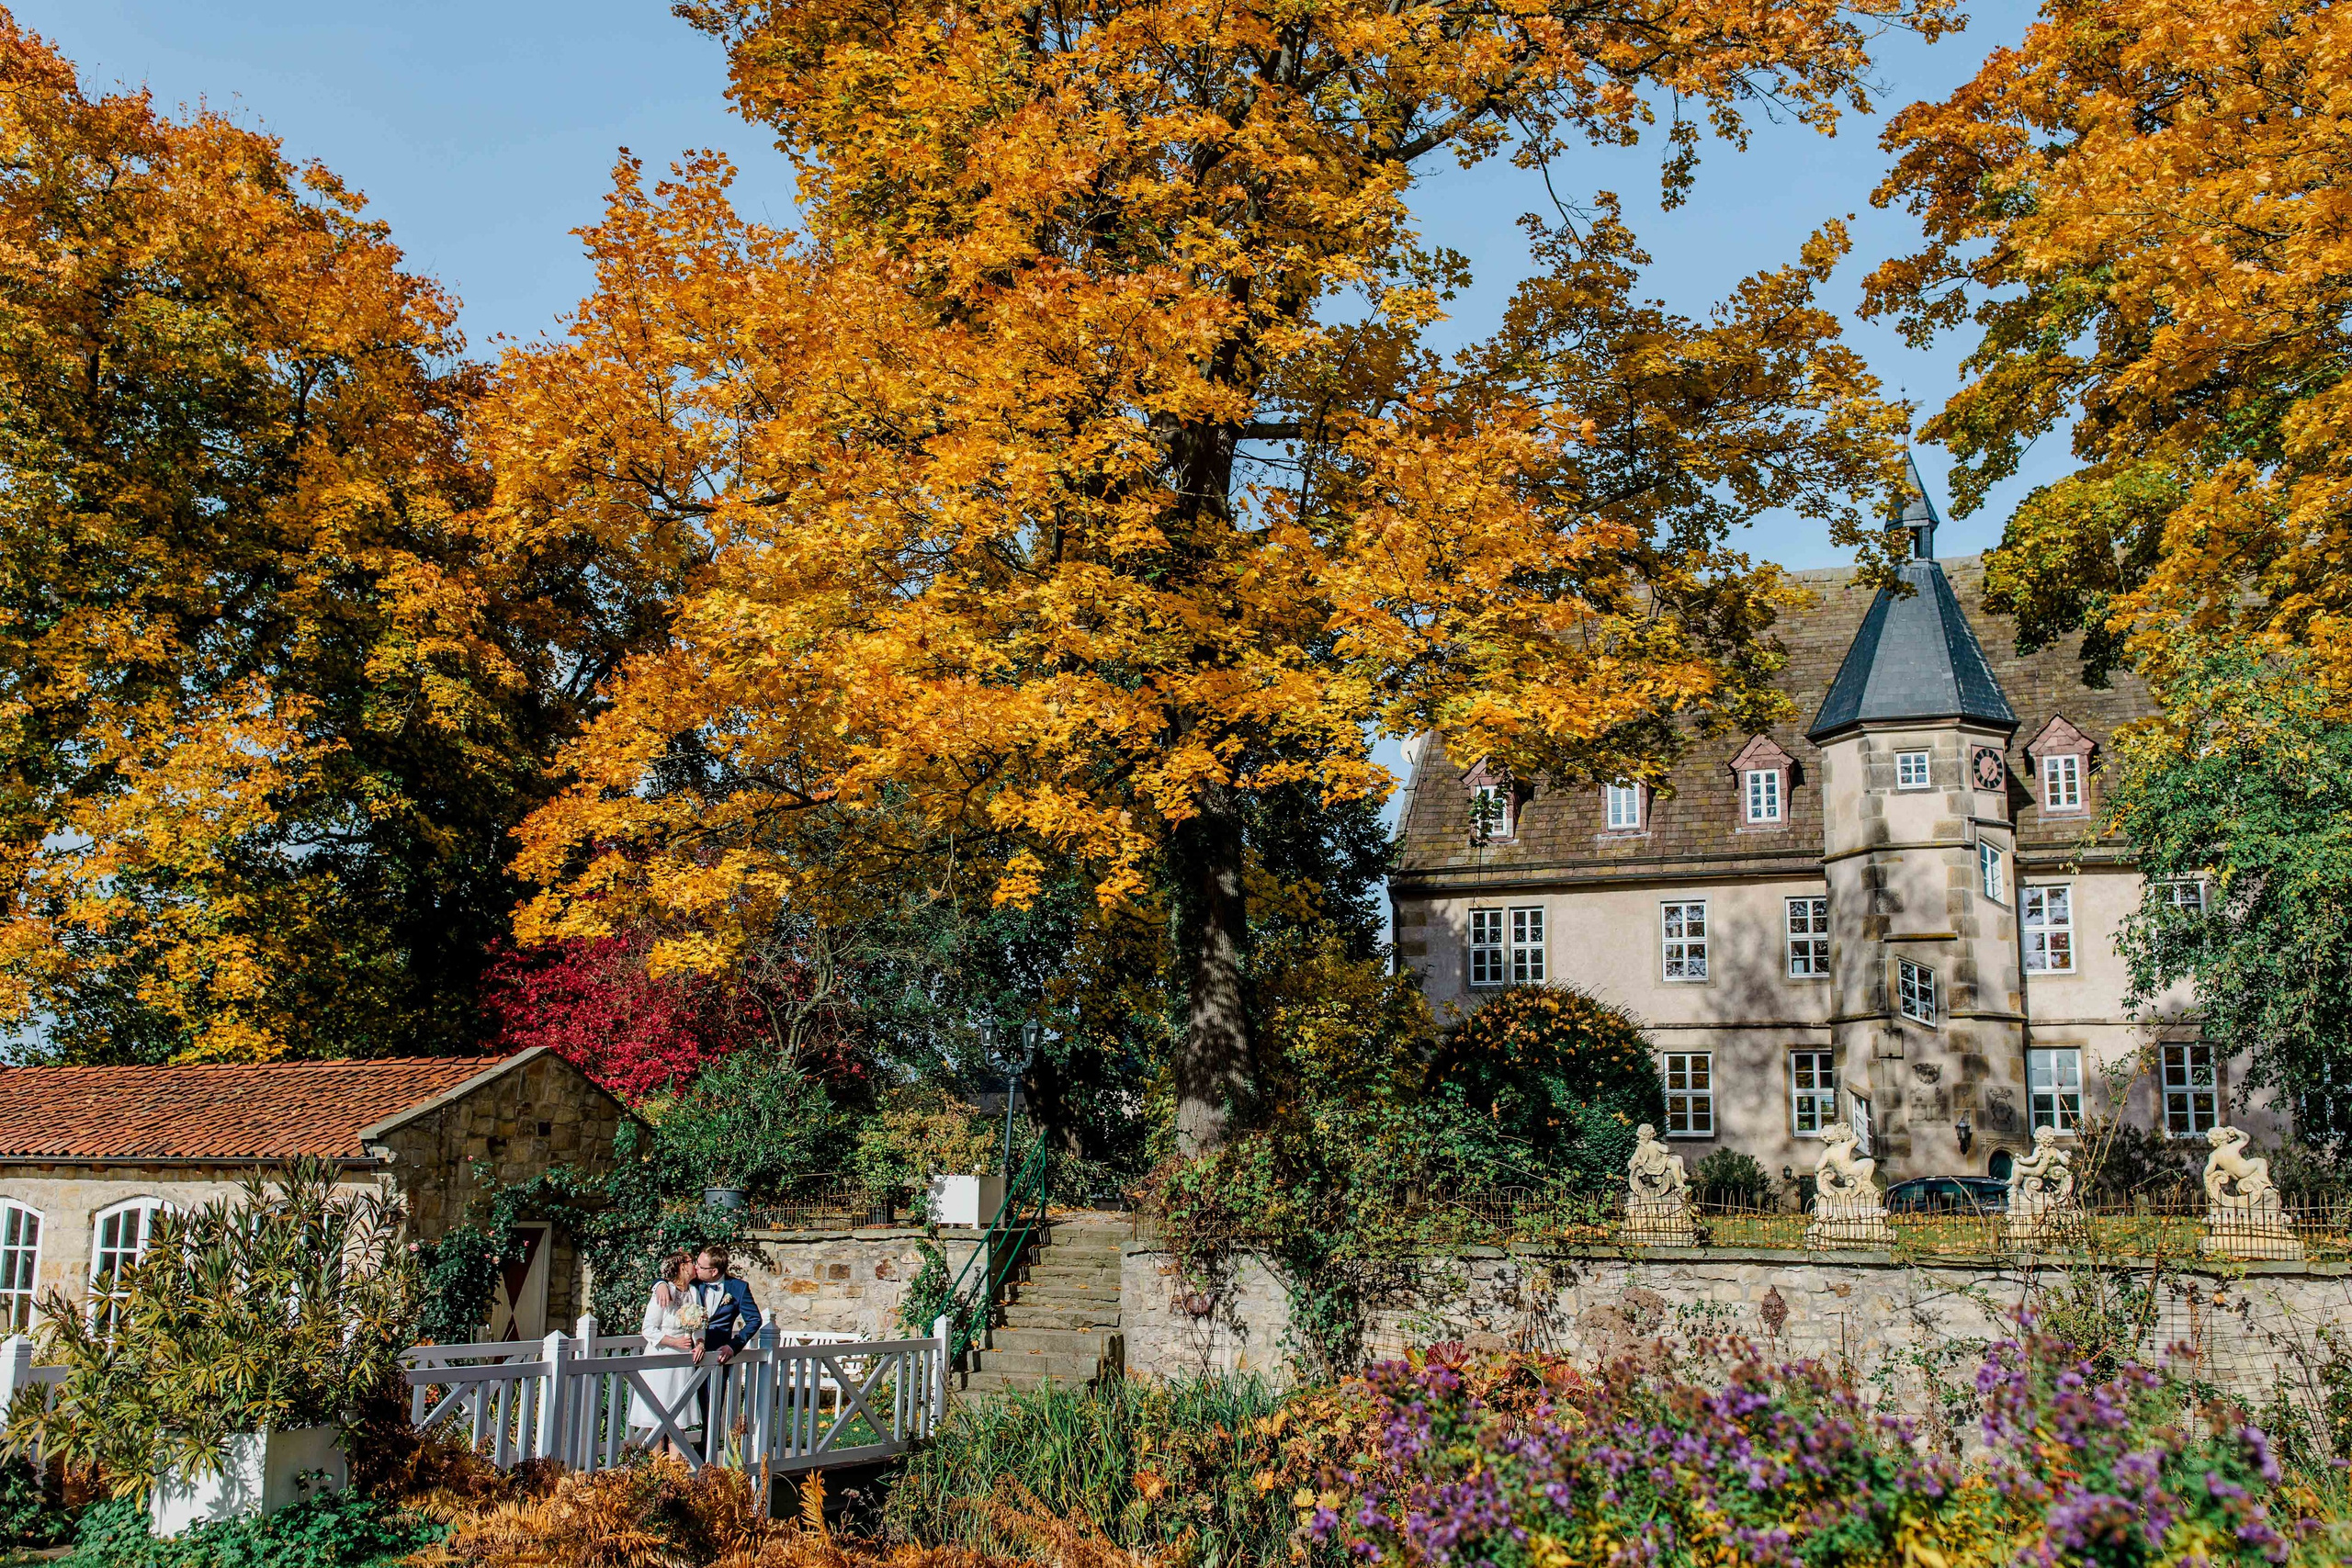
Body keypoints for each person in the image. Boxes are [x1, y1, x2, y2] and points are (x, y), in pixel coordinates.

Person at [628, 1251, 703, 1452]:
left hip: (683, 1364)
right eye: (691, 1261)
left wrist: (701, 1343)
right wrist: (675, 1342)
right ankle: (657, 1474)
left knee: (679, 1423)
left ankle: (676, 1476)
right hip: (660, 1360)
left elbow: (699, 1325)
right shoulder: (663, 1290)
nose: (695, 1264)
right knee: (657, 1421)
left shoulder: (694, 1292)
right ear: (681, 1266)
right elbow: (648, 1329)